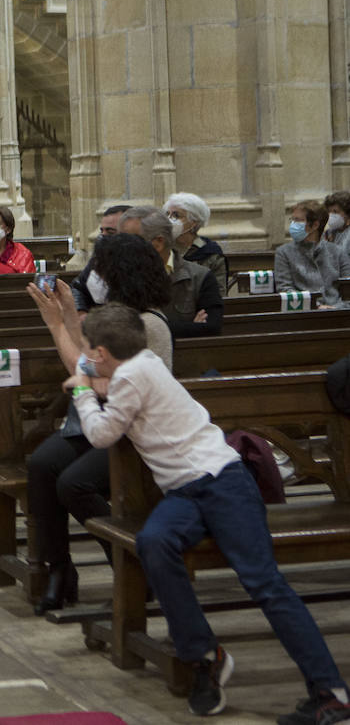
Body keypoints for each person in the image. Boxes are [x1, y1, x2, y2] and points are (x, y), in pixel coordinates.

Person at [64, 304, 350, 723]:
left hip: (224, 484)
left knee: (263, 582)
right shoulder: (142, 363)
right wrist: (93, 379)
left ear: (103, 353)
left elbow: (102, 433)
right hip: (186, 492)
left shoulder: (130, 375)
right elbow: (119, 392)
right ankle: (205, 655)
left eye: (89, 348)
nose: (85, 354)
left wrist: (82, 391)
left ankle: (330, 691)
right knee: (154, 542)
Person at [25, 232, 173, 615]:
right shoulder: (118, 318)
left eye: (102, 269)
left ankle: (133, 566)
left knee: (73, 483)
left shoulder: (148, 325)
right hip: (103, 422)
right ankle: (60, 570)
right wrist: (69, 317)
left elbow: (92, 377)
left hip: (133, 434)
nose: (95, 276)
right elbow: (90, 359)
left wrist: (57, 326)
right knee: (41, 465)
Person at [121, 206, 223, 336]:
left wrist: (147, 329)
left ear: (158, 243)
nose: (121, 247)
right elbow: (119, 330)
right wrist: (190, 328)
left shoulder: (200, 277)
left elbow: (211, 328)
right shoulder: (120, 275)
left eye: (129, 241)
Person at [275, 198, 350, 308]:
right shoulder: (284, 252)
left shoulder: (337, 252)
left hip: (338, 312)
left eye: (298, 220)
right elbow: (286, 289)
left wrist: (337, 309)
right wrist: (316, 307)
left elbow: (348, 289)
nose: (293, 225)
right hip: (304, 314)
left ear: (315, 225)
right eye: (292, 220)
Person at [70, 204, 132, 310]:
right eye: (101, 231)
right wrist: (80, 310)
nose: (103, 237)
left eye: (110, 232)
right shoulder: (99, 259)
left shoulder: (141, 261)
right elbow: (78, 286)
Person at [164, 192, 229, 291]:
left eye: (176, 215)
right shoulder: (162, 248)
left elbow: (219, 293)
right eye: (167, 214)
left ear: (193, 222)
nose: (169, 220)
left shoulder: (210, 253)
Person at [325, 192, 350, 256]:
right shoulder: (328, 233)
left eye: (335, 212)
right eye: (329, 211)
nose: (331, 215)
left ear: (348, 214)